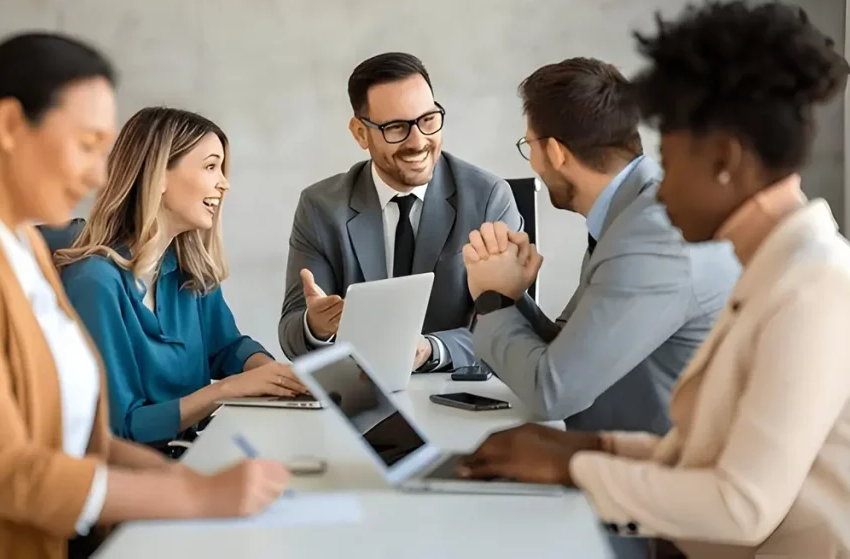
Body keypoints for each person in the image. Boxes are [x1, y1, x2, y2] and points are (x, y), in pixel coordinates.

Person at [457, 0, 850, 559]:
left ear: (725, 161)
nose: (659, 187)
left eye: (672, 161)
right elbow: (713, 452)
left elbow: (739, 504)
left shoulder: (816, 287)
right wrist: (592, 446)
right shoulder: (781, 269)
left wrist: (571, 465)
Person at [0, 34, 289, 559]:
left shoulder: (23, 248)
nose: (100, 174)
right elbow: (2, 470)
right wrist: (193, 493)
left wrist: (193, 478)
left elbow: (75, 436)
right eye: (86, 145)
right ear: (12, 127)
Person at [465, 57, 740, 436]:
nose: (532, 162)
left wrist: (490, 302)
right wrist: (509, 296)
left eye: (529, 145)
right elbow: (570, 352)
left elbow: (552, 392)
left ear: (556, 153)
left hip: (655, 471)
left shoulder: (650, 240)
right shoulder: (632, 212)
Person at [51, 107, 306, 447]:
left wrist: (276, 377)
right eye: (211, 166)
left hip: (192, 453)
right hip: (135, 478)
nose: (224, 183)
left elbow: (226, 347)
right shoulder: (94, 283)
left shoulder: (188, 270)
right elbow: (120, 428)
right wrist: (224, 391)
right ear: (159, 176)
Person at [278, 52, 526, 371]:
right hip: (361, 400)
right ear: (360, 133)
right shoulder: (321, 207)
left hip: (454, 395)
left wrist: (432, 349)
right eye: (396, 127)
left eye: (428, 120)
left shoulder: (488, 197)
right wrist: (316, 327)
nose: (418, 142)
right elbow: (291, 334)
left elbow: (510, 329)